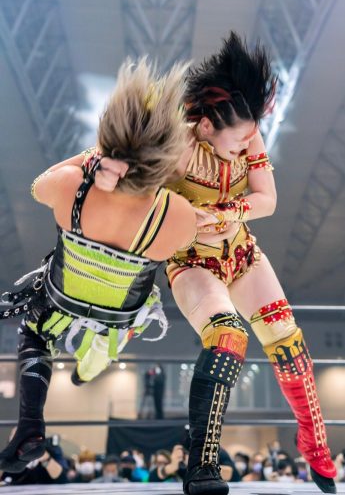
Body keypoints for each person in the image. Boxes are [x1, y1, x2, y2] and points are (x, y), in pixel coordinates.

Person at [89, 32, 338, 495]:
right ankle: (202, 462)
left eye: (250, 139)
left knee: (288, 341)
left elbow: (267, 199)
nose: (247, 147)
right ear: (206, 126)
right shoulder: (175, 142)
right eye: (239, 141)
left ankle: (313, 440)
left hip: (243, 254)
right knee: (228, 336)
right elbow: (124, 173)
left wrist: (225, 213)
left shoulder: (246, 131)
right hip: (191, 263)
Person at [0, 57, 197, 474]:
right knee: (104, 343)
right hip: (119, 314)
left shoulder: (72, 187)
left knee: (34, 330)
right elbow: (183, 232)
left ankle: (31, 425)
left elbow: (37, 186)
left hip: (60, 299)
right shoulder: (176, 214)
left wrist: (93, 159)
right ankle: (89, 368)